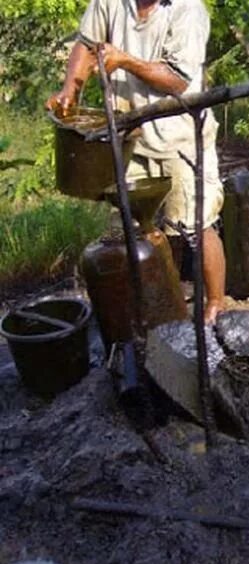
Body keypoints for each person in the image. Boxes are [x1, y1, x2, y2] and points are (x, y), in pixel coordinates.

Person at [46, 0, 226, 324]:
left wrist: (125, 60)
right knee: (131, 229)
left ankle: (214, 304)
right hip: (129, 137)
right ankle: (149, 308)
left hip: (181, 137)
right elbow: (86, 45)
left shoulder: (189, 10)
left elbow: (178, 80)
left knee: (196, 224)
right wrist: (70, 91)